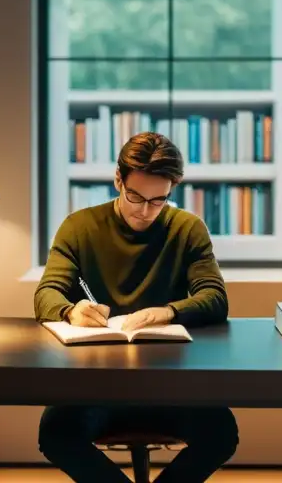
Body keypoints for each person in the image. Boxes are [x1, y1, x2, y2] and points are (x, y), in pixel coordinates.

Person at [34, 131, 238, 482]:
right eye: (135, 196)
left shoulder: (187, 228)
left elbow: (215, 297)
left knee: (221, 434)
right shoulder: (79, 227)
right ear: (118, 180)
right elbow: (47, 293)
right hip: (97, 386)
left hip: (172, 386)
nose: (145, 211)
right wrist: (71, 311)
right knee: (56, 433)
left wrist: (169, 311)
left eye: (159, 200)